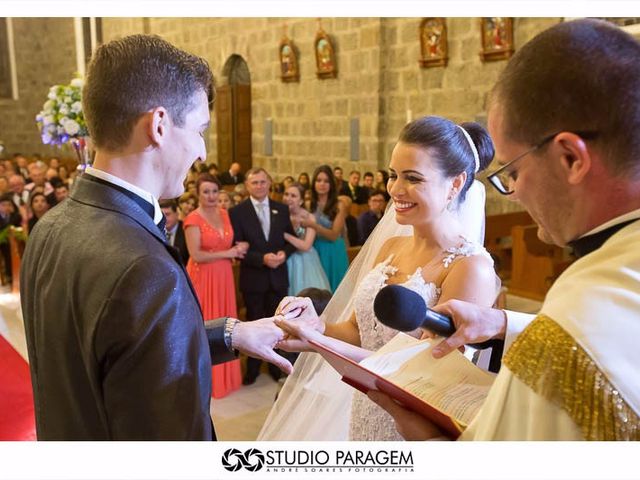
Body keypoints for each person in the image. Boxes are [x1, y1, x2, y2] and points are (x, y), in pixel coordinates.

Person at [369, 19, 640, 441]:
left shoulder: (584, 309)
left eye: (512, 170)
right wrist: (503, 324)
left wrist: (434, 446)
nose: (511, 193)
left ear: (571, 158)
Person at [20, 34, 293, 441]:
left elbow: (112, 351)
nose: (201, 152)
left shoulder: (51, 227)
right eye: (199, 129)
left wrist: (231, 334)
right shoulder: (145, 268)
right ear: (160, 125)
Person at [259, 116, 497, 440]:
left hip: (411, 428)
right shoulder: (390, 246)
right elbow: (358, 331)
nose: (396, 190)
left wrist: (318, 342)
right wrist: (318, 326)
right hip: (366, 411)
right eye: (393, 175)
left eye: (413, 178)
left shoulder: (470, 268)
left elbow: (423, 373)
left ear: (455, 184)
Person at [229, 167, 297, 385]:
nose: (259, 186)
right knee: (254, 322)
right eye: (254, 182)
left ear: (269, 183)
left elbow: (291, 241)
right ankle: (253, 369)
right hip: (254, 277)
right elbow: (237, 248)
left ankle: (277, 366)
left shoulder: (281, 209)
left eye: (262, 181)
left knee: (278, 324)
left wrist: (283, 254)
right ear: (247, 186)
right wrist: (261, 259)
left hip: (277, 276)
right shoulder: (237, 212)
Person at [184, 174, 246, 398]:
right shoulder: (192, 219)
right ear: (198, 194)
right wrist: (228, 253)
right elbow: (196, 254)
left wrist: (238, 248)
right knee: (207, 322)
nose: (211, 196)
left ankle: (226, 377)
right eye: (205, 192)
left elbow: (228, 240)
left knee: (226, 320)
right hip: (204, 275)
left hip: (224, 275)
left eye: (213, 191)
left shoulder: (224, 213)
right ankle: (207, 380)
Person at [282, 183, 331, 296]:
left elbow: (306, 245)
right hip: (285, 258)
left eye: (293, 196)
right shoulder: (280, 215)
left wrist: (285, 235)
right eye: (286, 194)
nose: (288, 198)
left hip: (305, 260)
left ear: (301, 201)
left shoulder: (309, 217)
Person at [159, 199, 189, 265]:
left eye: (167, 214)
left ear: (177, 214)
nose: (164, 219)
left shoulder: (186, 231)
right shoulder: (156, 231)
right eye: (161, 215)